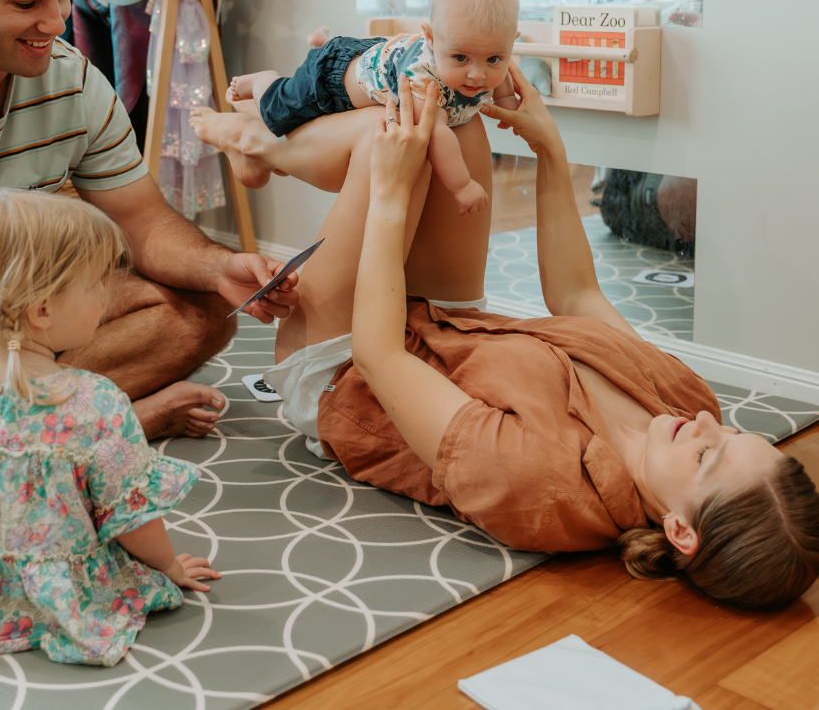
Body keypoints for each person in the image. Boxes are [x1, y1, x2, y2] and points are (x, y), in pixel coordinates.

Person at [202, 61, 819, 611]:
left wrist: (391, 191)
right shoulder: (688, 410)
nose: (709, 424)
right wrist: (551, 148)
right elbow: (578, 296)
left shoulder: (537, 483)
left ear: (681, 531)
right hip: (458, 333)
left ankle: (256, 145)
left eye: (708, 457)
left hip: (348, 371)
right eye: (737, 433)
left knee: (385, 140)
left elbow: (381, 356)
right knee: (459, 127)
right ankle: (272, 149)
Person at [0, 0, 300, 440]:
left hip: (27, 304)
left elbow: (142, 221)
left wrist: (219, 267)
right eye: (26, 3)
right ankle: (94, 428)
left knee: (205, 309)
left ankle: (38, 428)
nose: (56, 22)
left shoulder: (70, 80)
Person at [0, 190, 221, 665]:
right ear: (42, 310)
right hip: (56, 583)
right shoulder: (94, 402)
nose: (107, 297)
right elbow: (130, 515)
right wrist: (167, 566)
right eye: (97, 285)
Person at [191, 0, 521, 215]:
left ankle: (322, 49)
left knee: (309, 126)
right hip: (331, 80)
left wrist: (508, 103)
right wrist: (462, 186)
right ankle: (263, 82)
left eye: (494, 58)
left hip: (375, 57)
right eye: (460, 57)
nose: (478, 74)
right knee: (281, 112)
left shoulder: (485, 62)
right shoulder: (423, 81)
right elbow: (435, 134)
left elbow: (502, 77)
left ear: (510, 46)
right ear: (432, 40)